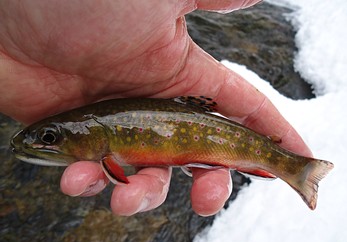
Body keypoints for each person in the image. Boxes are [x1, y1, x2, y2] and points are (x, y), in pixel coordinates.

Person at [0, 0, 312, 216]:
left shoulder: (107, 148)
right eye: (50, 138)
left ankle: (297, 169)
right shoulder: (103, 144)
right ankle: (294, 168)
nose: (45, 143)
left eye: (51, 138)